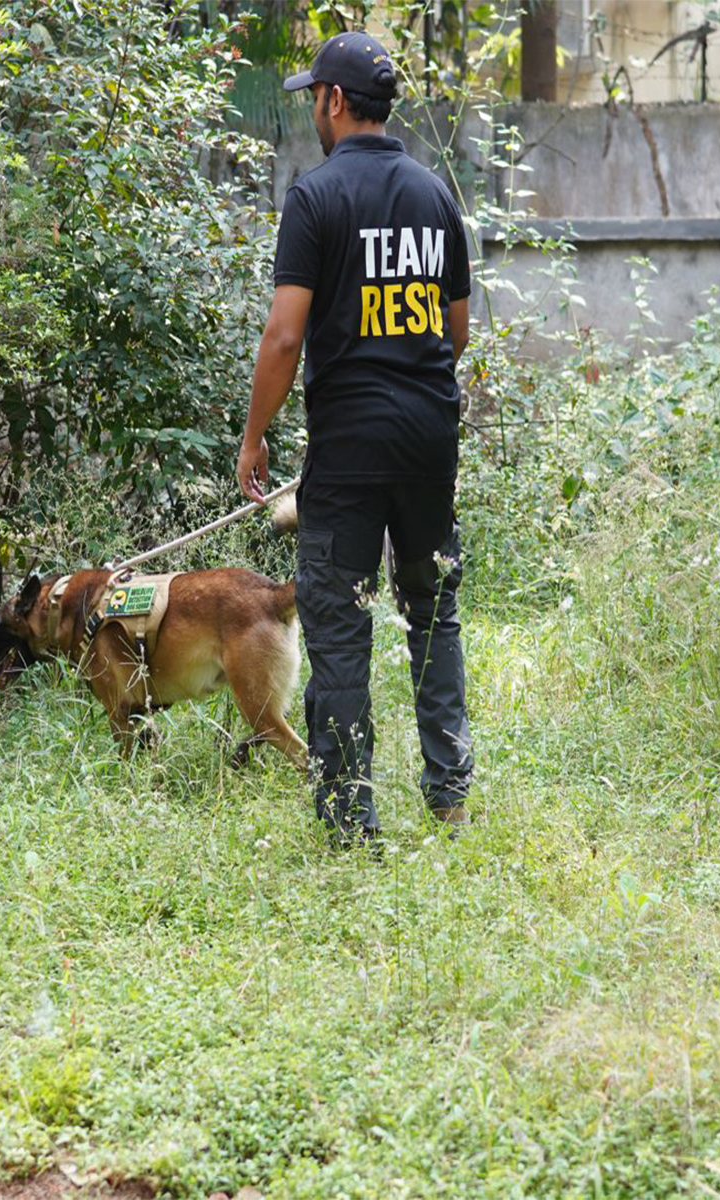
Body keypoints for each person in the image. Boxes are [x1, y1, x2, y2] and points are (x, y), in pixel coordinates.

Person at [236, 32, 475, 849]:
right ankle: (449, 798)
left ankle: (350, 821)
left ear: (335, 103)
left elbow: (282, 337)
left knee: (338, 623)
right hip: (428, 439)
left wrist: (254, 436)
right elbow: (456, 330)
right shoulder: (436, 195)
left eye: (314, 98)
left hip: (348, 450)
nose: (313, 110)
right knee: (432, 612)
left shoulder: (314, 198)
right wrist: (407, 376)